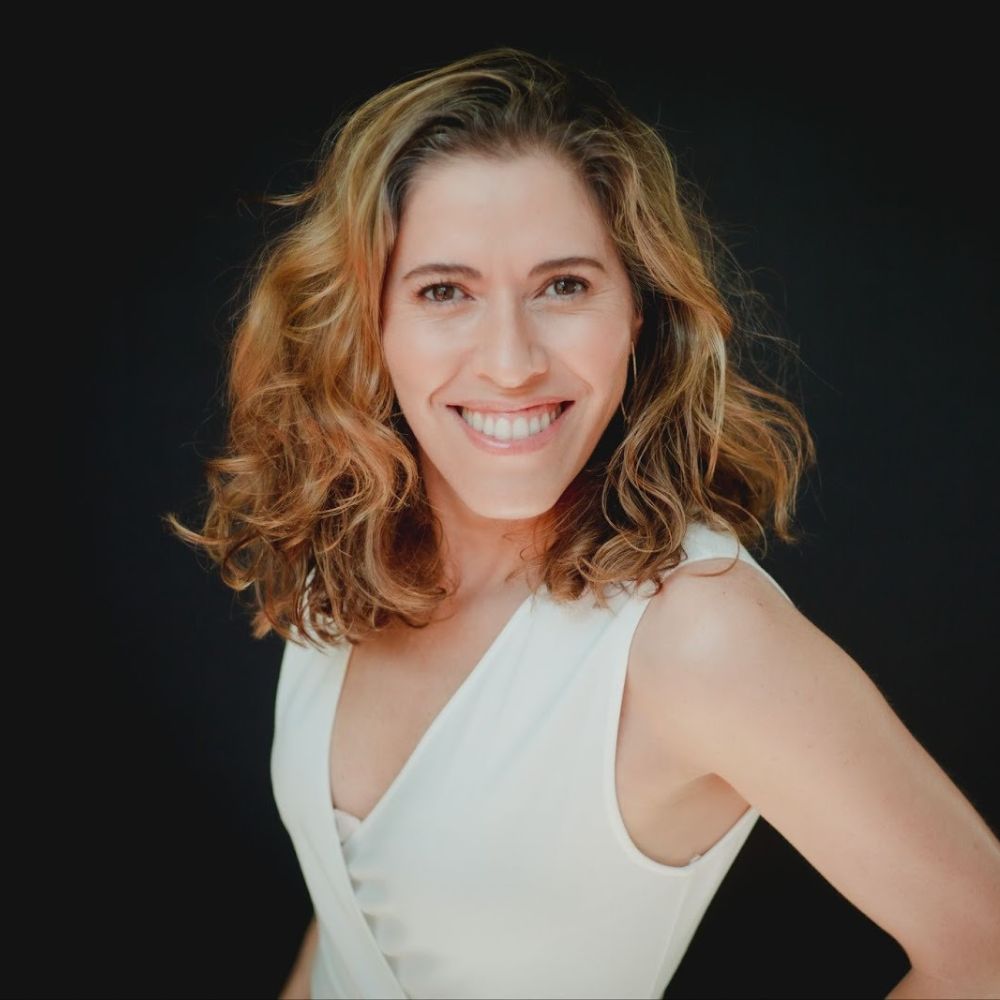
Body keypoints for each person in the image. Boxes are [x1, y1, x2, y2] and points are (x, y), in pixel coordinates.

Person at [165, 47, 1000, 1000]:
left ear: (637, 312)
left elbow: (987, 947)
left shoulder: (699, 636)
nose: (511, 361)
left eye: (563, 285)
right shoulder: (350, 555)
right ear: (370, 324)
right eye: (445, 290)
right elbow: (355, 917)